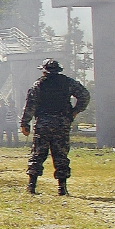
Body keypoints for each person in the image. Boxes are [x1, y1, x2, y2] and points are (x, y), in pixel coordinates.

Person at [20, 58, 90, 195]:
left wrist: (25, 123)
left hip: (43, 123)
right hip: (62, 123)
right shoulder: (68, 83)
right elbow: (85, 95)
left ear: (44, 71)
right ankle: (62, 188)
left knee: (38, 154)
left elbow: (30, 105)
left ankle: (31, 186)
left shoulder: (39, 85)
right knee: (61, 155)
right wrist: (75, 111)